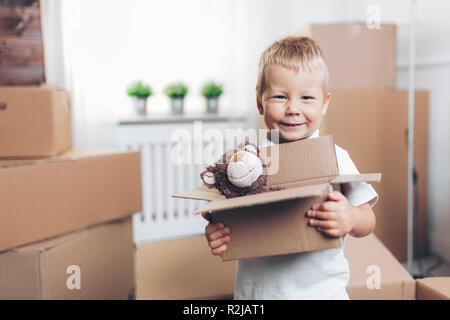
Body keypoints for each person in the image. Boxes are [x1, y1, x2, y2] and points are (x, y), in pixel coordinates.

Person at [201, 36, 378, 299]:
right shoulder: (244, 165)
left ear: (325, 102)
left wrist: (351, 217)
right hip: (257, 296)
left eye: (307, 97)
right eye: (280, 97)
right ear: (260, 102)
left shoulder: (335, 157)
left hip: (324, 294)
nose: (293, 109)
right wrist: (218, 233)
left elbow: (368, 220)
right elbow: (223, 218)